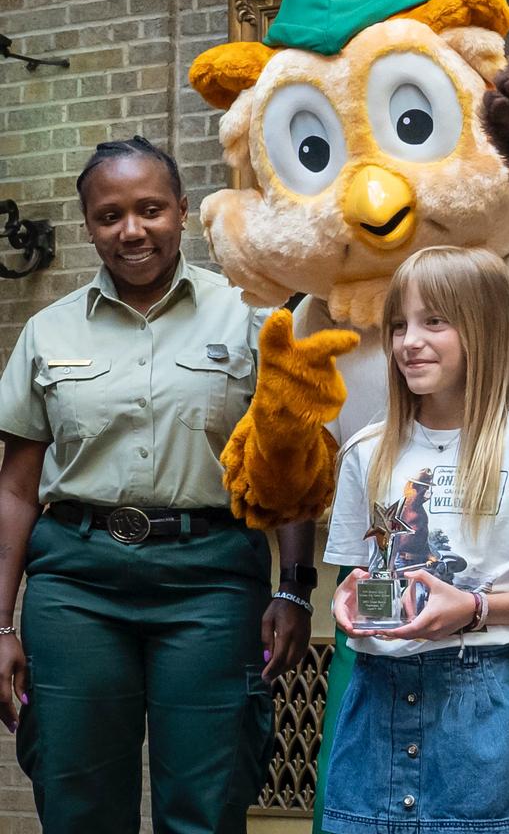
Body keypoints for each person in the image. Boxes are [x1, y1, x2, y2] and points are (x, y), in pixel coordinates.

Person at [0, 137, 317, 833]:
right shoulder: (47, 332)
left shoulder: (252, 314)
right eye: (109, 215)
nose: (131, 230)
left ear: (181, 210)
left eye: (149, 209)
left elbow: (286, 456)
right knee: (78, 803)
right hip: (76, 586)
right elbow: (18, 487)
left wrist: (295, 584)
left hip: (210, 584)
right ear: (89, 225)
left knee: (204, 807)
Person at [321, 246, 509, 834]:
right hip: (375, 701)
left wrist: (475, 607)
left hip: (484, 699)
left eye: (434, 321)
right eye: (398, 325)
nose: (408, 342)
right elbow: (353, 579)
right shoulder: (364, 451)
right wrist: (350, 600)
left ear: (482, 328)